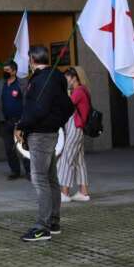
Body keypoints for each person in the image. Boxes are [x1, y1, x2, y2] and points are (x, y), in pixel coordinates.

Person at [15, 45, 73, 243]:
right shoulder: (57, 77)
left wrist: (22, 125)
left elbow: (37, 109)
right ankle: (54, 221)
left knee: (39, 178)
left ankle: (43, 227)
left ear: (32, 60)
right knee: (50, 178)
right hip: (50, 132)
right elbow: (67, 105)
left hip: (40, 134)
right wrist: (56, 123)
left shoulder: (41, 80)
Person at [0, 60, 29, 180]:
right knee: (8, 148)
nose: (5, 72)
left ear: (14, 71)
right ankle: (15, 171)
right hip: (5, 121)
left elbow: (28, 101)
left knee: (23, 147)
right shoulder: (1, 84)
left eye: (7, 70)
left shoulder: (22, 84)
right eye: (4, 70)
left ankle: (29, 172)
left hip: (20, 121)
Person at [59, 68, 91, 203]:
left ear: (74, 78)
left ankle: (64, 193)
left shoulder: (78, 92)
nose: (66, 82)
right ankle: (84, 192)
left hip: (75, 128)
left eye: (67, 78)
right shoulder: (84, 90)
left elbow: (65, 106)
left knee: (66, 158)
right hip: (79, 128)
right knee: (79, 161)